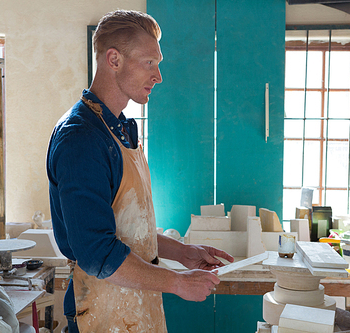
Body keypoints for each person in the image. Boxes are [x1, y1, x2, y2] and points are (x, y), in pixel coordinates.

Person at [46, 9, 234, 333]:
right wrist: (177, 282)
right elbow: (97, 254)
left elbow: (130, 230)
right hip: (100, 319)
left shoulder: (121, 130)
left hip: (137, 313)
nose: (158, 76)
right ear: (114, 59)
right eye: (150, 63)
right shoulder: (81, 138)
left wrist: (183, 253)